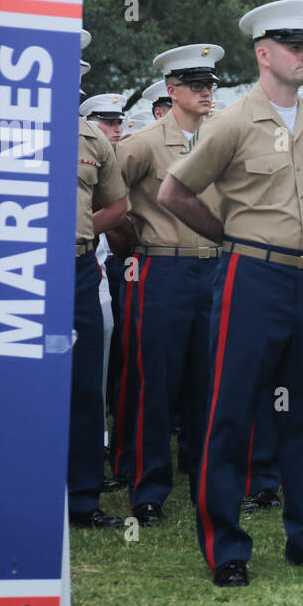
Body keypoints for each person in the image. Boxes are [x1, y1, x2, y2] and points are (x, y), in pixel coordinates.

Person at [157, 0, 303, 586]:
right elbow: (175, 192)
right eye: (296, 48)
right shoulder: (232, 122)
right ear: (263, 53)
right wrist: (235, 235)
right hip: (251, 276)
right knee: (230, 411)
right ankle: (227, 550)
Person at [111, 42, 225, 524]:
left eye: (209, 84)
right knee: (153, 381)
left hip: (216, 267)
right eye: (195, 85)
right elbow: (112, 202)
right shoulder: (142, 143)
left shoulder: (223, 138)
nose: (205, 92)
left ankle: (206, 482)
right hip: (161, 267)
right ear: (171, 90)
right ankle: (148, 489)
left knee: (210, 381)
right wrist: (135, 245)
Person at [66, 55, 130, 529]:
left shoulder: (92, 140)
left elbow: (119, 204)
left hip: (78, 267)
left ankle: (84, 498)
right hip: (17, 268)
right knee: (13, 381)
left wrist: (83, 232)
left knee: (86, 382)